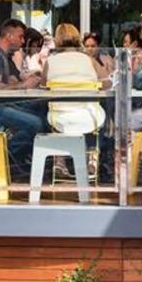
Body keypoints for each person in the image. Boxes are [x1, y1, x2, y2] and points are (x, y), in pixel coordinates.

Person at [0, 19, 45, 177]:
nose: (23, 41)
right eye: (20, 36)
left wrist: (29, 79)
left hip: (0, 106)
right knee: (36, 123)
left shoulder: (4, 56)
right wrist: (24, 85)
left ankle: (24, 158)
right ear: (9, 36)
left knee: (42, 110)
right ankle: (8, 158)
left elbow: (14, 80)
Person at [42, 23, 108, 178]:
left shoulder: (50, 62)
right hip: (88, 117)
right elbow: (107, 83)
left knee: (45, 114)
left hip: (59, 118)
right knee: (102, 118)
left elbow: (43, 85)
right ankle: (91, 159)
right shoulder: (89, 60)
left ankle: (60, 160)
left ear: (57, 39)